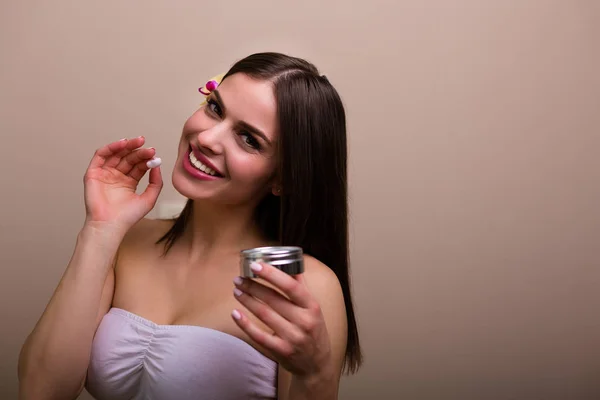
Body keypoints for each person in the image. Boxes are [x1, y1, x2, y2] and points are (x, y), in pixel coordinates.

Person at [17, 52, 362, 400]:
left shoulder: (303, 285)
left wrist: (315, 374)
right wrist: (100, 229)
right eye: (215, 108)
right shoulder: (128, 242)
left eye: (249, 139)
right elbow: (40, 390)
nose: (208, 139)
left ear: (284, 178)